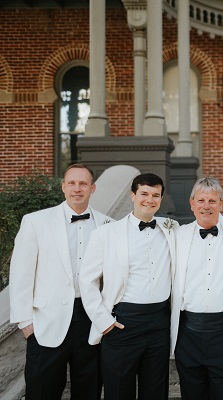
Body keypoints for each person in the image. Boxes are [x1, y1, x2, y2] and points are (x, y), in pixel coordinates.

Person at [9, 163, 111, 400]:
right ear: (63, 186)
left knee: (89, 389)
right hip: (46, 322)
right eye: (72, 183)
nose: (77, 188)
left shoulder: (109, 225)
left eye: (83, 183)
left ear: (92, 188)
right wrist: (25, 323)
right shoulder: (35, 222)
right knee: (42, 390)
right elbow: (21, 273)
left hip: (90, 319)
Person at [79, 173, 177, 400]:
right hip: (122, 323)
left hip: (160, 322)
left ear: (160, 199)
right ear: (133, 195)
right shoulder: (106, 234)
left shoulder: (171, 228)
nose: (149, 200)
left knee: (156, 390)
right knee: (118, 390)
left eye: (155, 195)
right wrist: (104, 322)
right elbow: (87, 280)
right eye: (144, 194)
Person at [170, 177, 223, 400]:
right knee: (192, 393)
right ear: (191, 203)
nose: (206, 206)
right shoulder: (177, 235)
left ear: (221, 204)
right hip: (187, 331)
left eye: (212, 200)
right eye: (200, 200)